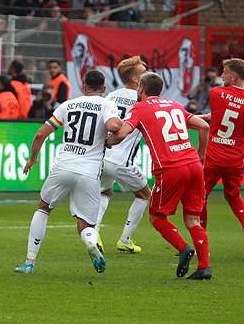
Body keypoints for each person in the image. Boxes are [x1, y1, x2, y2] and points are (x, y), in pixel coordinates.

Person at [13, 70, 122, 274]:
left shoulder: (68, 105)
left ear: (84, 86)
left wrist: (33, 159)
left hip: (63, 167)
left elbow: (40, 134)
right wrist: (110, 139)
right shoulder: (107, 104)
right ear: (104, 88)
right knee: (86, 225)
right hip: (89, 172)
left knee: (43, 208)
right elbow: (114, 126)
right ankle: (91, 243)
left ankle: (29, 262)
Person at [107, 72, 212, 279]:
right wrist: (201, 156)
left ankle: (183, 248)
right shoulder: (175, 105)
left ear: (141, 89)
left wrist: (104, 143)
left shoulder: (140, 107)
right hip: (193, 165)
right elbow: (204, 126)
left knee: (156, 216)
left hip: (171, 168)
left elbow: (121, 134)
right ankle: (204, 267)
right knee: (193, 220)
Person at [199, 58, 244, 259]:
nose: (221, 76)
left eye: (224, 72)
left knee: (201, 196)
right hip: (236, 160)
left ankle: (201, 238)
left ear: (233, 77)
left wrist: (204, 117)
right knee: (232, 195)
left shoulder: (216, 93)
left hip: (214, 157)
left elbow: (222, 114)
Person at [94, 57, 152, 254]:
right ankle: (125, 239)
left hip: (103, 157)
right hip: (122, 161)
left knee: (105, 192)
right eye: (144, 72)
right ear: (136, 79)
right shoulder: (144, 101)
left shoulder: (111, 96)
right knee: (144, 195)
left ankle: (94, 230)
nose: (148, 74)